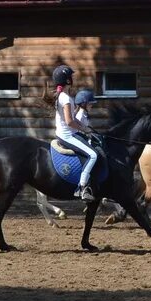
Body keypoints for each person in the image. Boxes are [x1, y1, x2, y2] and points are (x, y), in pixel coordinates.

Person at [50, 65, 99, 201]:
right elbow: (69, 122)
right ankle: (82, 187)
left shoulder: (63, 96)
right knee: (93, 155)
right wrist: (85, 129)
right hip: (67, 135)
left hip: (67, 133)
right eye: (71, 76)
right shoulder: (65, 98)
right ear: (67, 80)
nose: (73, 78)